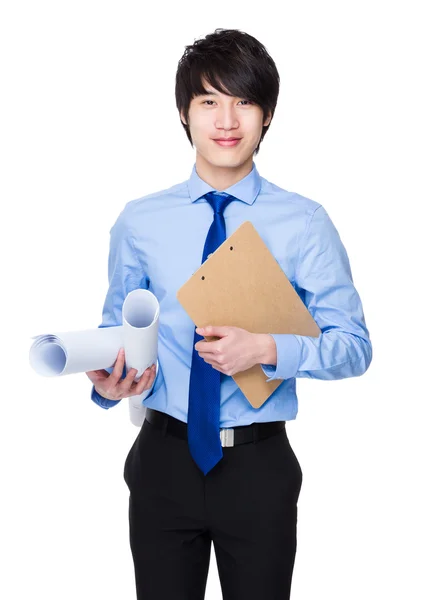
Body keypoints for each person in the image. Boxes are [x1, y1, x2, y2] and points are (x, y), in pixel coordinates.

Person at [86, 28, 372, 600]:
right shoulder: (139, 221)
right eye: (209, 101)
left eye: (244, 101)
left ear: (266, 117)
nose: (226, 120)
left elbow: (354, 347)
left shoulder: (305, 222)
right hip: (162, 461)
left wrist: (267, 349)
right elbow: (118, 329)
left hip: (258, 468)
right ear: (185, 115)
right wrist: (110, 379)